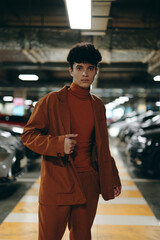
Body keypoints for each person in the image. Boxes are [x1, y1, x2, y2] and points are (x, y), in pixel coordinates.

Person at [21, 42, 121, 240]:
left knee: (82, 236)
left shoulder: (98, 106)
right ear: (71, 70)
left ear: (96, 72)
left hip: (88, 183)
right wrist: (58, 144)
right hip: (58, 181)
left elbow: (102, 147)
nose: (85, 73)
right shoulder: (51, 101)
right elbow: (28, 135)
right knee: (49, 236)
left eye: (90, 68)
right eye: (79, 68)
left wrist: (113, 176)